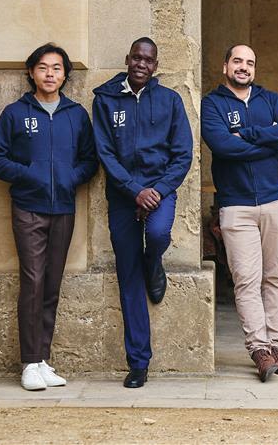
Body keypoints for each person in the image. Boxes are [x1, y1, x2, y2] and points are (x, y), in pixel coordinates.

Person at [0, 43, 98, 391]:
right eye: (44, 68)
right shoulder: (16, 114)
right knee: (32, 281)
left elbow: (90, 161)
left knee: (51, 285)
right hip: (28, 209)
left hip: (63, 208)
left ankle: (43, 360)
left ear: (65, 75)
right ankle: (29, 362)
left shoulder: (76, 115)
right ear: (32, 72)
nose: (51, 74)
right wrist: (31, 174)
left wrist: (69, 178)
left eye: (57, 68)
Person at [92, 37, 193, 388]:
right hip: (123, 197)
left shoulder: (169, 100)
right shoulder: (105, 99)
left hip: (160, 192)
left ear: (155, 66)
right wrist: (135, 191)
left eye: (148, 60)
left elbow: (183, 154)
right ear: (127, 59)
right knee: (128, 277)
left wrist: (157, 191)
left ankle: (155, 263)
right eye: (136, 57)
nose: (141, 64)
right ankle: (138, 363)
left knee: (160, 234)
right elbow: (104, 153)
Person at [201, 44, 278, 382]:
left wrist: (250, 135)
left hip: (275, 202)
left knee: (274, 277)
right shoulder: (212, 104)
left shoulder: (271, 100)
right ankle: (258, 348)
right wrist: (267, 142)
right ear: (225, 65)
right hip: (236, 206)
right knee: (246, 280)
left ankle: (274, 345)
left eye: (250, 62)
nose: (244, 67)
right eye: (238, 61)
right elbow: (223, 146)